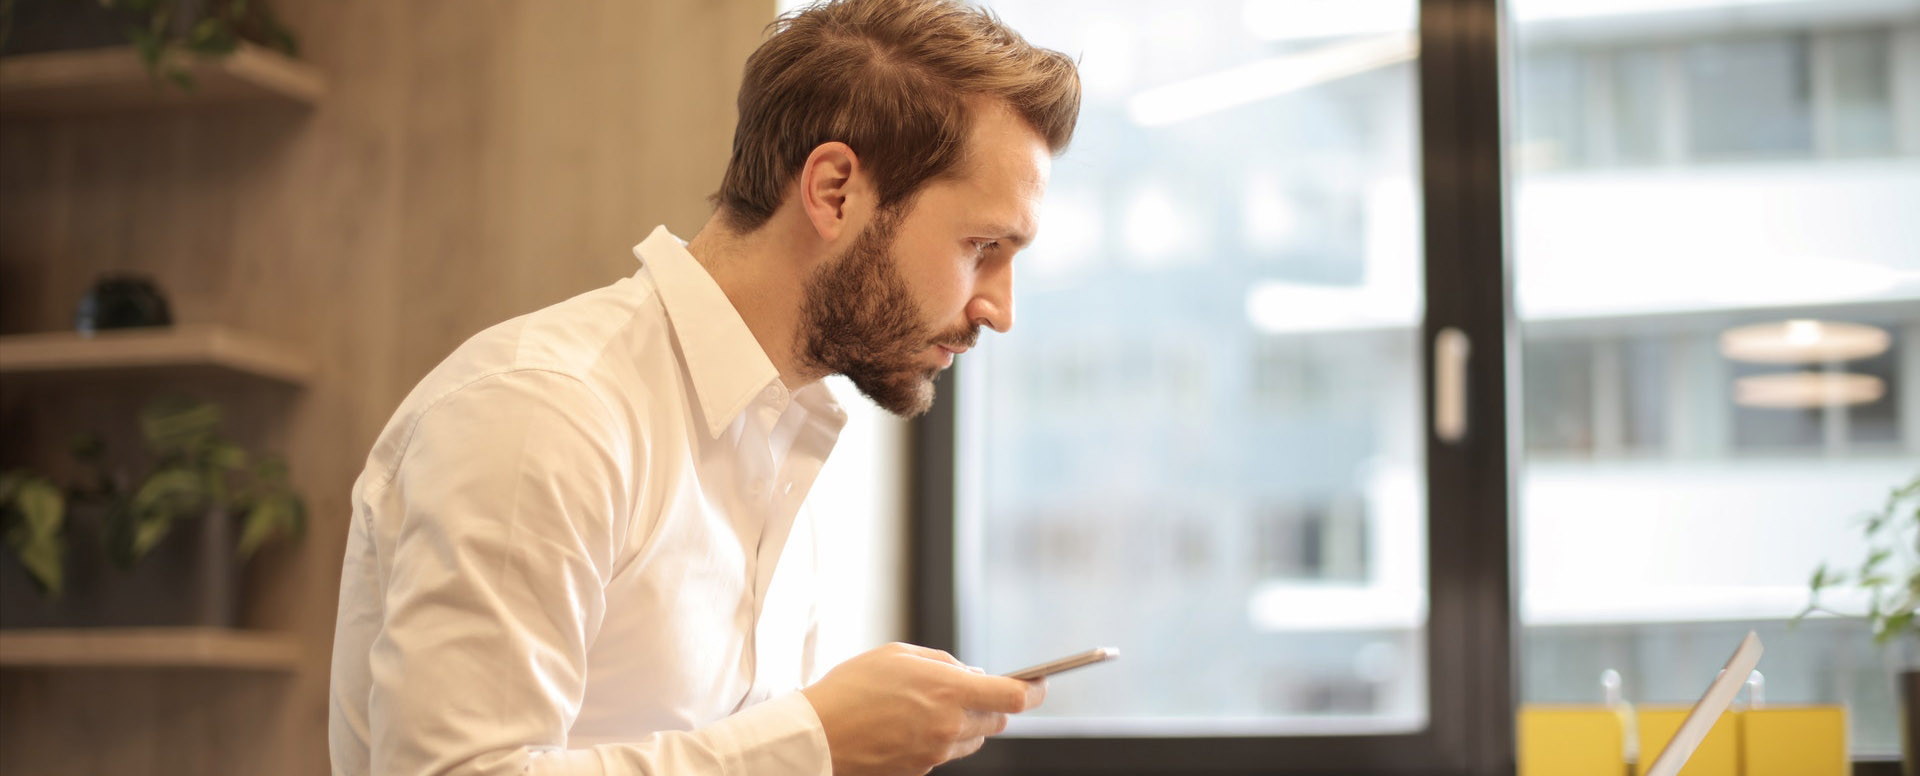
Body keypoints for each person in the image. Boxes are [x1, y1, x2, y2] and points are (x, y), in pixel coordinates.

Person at [327, 0, 1081, 773]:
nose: (1001, 309)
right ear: (833, 192)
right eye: (982, 245)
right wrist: (815, 744)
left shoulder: (780, 445)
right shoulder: (541, 412)